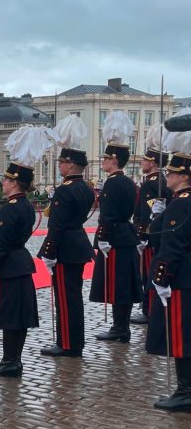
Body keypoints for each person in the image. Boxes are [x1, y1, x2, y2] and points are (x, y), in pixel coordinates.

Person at [0, 126, 51, 377]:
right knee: (17, 318)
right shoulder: (22, 206)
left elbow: (1, 243)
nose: (2, 182)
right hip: (20, 263)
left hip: (8, 266)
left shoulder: (11, 208)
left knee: (10, 318)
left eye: (6, 179)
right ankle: (13, 359)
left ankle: (10, 361)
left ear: (14, 182)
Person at [38, 115, 95, 358]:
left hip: (65, 248)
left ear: (71, 165)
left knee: (65, 298)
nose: (59, 166)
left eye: (62, 163)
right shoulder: (86, 188)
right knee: (73, 297)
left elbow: (57, 226)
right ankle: (73, 342)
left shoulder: (65, 189)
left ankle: (68, 344)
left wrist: (48, 251)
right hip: (79, 244)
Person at [146, 131, 191, 412]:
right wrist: (157, 216)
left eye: (172, 173)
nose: (168, 177)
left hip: (181, 278)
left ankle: (185, 390)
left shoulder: (182, 203)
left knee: (181, 334)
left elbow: (172, 245)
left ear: (184, 175)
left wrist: (161, 279)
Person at [91, 111, 141, 343]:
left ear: (113, 160)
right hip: (127, 235)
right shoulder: (130, 182)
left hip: (115, 239)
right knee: (124, 284)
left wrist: (103, 238)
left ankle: (119, 327)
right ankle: (121, 326)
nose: (103, 162)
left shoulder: (112, 183)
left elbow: (107, 215)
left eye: (105, 158)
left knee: (117, 284)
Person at [131, 128, 171, 326]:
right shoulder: (161, 181)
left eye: (145, 160)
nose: (142, 162)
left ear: (153, 162)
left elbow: (147, 214)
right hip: (156, 234)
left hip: (148, 236)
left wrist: (142, 235)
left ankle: (148, 309)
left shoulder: (151, 184)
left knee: (148, 273)